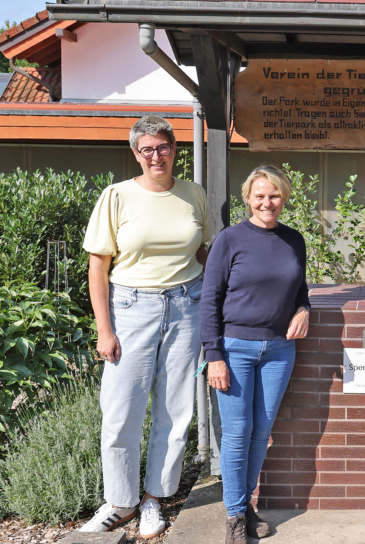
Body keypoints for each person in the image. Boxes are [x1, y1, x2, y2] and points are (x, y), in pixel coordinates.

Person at [80, 115, 209, 539]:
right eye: (146, 149)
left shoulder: (194, 194)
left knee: (175, 410)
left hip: (186, 306)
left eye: (164, 147)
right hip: (131, 307)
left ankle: (155, 499)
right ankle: (120, 502)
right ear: (136, 153)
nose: (156, 155)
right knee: (120, 412)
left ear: (175, 149)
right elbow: (97, 268)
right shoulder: (116, 196)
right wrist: (105, 330)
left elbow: (204, 252)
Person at [200, 165, 310, 544]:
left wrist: (303, 311)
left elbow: (300, 292)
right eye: (260, 195)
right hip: (234, 350)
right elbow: (210, 301)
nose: (268, 202)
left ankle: (243, 506)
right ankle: (234, 517)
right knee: (236, 435)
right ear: (248, 198)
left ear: (284, 198)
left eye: (275, 195)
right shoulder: (229, 240)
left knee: (261, 434)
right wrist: (214, 355)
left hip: (280, 351)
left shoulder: (294, 240)